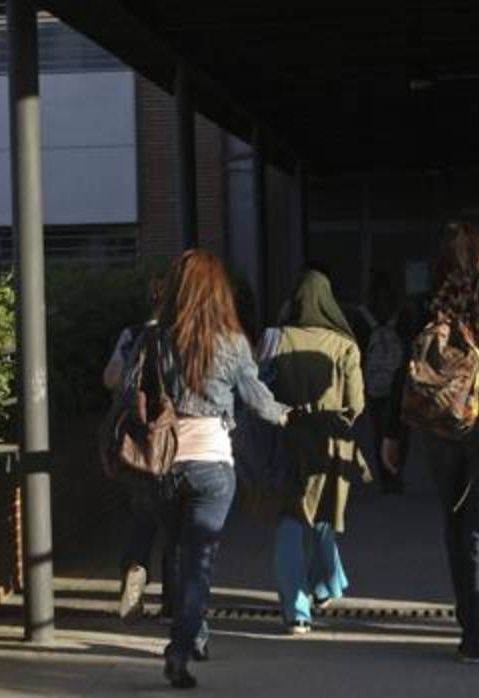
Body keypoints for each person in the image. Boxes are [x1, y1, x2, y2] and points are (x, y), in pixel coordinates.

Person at [121, 249, 291, 690]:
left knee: (178, 552)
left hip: (162, 464)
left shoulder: (153, 337)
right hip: (213, 466)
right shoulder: (231, 340)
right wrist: (285, 414)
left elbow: (127, 388)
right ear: (218, 291)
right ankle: (181, 648)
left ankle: (193, 635)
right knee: (200, 561)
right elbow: (257, 398)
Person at [380, 222, 479, 663]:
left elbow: (408, 375)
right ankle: (475, 633)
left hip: (441, 429)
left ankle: (467, 614)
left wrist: (393, 433)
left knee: (455, 521)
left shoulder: (431, 310)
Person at [263, 270, 371, 635]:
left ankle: (297, 611)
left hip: (289, 438)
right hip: (332, 443)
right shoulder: (346, 345)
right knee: (325, 516)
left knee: (291, 521)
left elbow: (260, 391)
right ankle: (326, 585)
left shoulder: (276, 338)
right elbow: (356, 404)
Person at [103, 275, 166, 623]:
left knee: (142, 515)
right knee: (178, 522)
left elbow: (110, 378)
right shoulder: (182, 337)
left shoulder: (132, 335)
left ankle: (134, 570)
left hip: (137, 440)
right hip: (173, 438)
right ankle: (175, 599)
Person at [351, 273, 410, 494]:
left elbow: (356, 349)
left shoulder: (362, 315)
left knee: (380, 430)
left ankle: (386, 477)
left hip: (374, 381)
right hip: (399, 379)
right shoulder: (402, 313)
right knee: (400, 429)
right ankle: (396, 473)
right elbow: (411, 345)